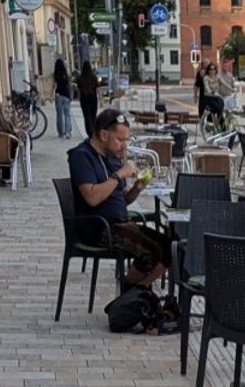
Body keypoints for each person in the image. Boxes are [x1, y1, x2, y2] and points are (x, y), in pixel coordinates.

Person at [68, 108, 169, 288]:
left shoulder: (112, 157)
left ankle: (137, 293)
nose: (124, 146)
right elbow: (92, 197)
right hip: (99, 228)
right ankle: (129, 297)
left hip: (120, 225)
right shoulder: (82, 156)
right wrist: (119, 175)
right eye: (120, 140)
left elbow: (123, 199)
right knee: (151, 252)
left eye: (126, 140)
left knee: (170, 247)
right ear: (104, 135)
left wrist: (137, 188)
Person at [77, 59, 100, 137]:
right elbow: (97, 88)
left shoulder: (80, 78)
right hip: (93, 99)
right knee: (93, 116)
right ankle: (94, 130)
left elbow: (79, 87)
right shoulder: (94, 77)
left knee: (87, 116)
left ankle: (89, 131)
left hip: (84, 99)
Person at [53, 55, 73, 138]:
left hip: (58, 95)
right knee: (67, 114)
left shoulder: (55, 75)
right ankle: (68, 132)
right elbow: (69, 86)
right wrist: (70, 95)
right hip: (66, 96)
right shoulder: (66, 75)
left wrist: (51, 95)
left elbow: (54, 86)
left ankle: (61, 132)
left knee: (59, 114)